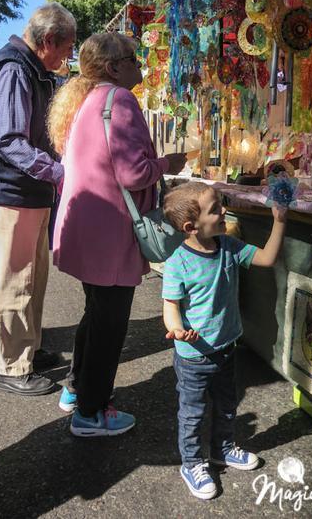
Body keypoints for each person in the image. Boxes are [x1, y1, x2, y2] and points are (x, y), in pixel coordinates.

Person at [48, 32, 186, 437]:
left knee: (96, 314)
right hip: (110, 233)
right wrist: (167, 162)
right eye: (133, 58)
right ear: (113, 66)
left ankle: (78, 391)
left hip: (85, 229)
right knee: (109, 325)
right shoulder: (120, 100)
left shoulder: (83, 101)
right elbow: (133, 172)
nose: (140, 65)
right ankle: (91, 412)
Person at [0, 2, 76, 396]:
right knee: (17, 279)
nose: (68, 56)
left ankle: (29, 347)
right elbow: (12, 143)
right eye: (66, 48)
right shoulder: (14, 69)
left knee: (34, 275)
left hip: (26, 191)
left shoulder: (34, 68)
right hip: (9, 191)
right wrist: (64, 173)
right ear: (47, 41)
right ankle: (11, 366)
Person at [162, 182, 287, 500]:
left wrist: (280, 220)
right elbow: (171, 307)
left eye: (221, 205)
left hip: (226, 348)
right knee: (192, 412)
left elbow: (268, 258)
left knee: (228, 404)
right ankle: (191, 463)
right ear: (191, 227)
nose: (224, 211)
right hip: (193, 356)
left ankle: (222, 449)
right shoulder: (179, 263)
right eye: (215, 209)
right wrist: (177, 329)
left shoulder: (229, 247)